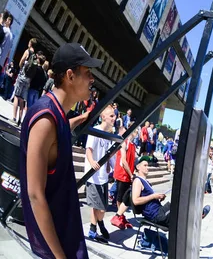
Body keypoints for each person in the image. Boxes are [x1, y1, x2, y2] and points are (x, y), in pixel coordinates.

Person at [19, 42, 103, 258]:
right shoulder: (45, 119)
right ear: (70, 75)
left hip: (65, 232)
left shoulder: (58, 115)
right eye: (87, 73)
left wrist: (81, 119)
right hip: (54, 245)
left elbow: (62, 127)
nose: (92, 79)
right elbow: (35, 194)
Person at [84, 106, 118, 244]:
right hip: (93, 175)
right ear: (103, 117)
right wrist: (92, 161)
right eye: (111, 116)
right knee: (98, 206)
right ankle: (94, 230)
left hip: (103, 175)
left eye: (114, 115)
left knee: (102, 207)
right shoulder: (96, 131)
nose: (114, 118)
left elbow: (107, 154)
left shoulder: (108, 134)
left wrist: (110, 164)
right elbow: (89, 149)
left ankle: (99, 225)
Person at [110, 125, 137, 230]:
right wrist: (131, 174)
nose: (137, 133)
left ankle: (121, 215)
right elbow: (124, 161)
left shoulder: (132, 145)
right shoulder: (124, 143)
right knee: (121, 197)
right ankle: (118, 216)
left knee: (124, 197)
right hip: (123, 174)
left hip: (127, 174)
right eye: (136, 130)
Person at [13, 38, 37, 125]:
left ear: (30, 43)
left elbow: (21, 61)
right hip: (28, 79)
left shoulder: (27, 51)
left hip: (22, 76)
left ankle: (14, 117)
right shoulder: (35, 56)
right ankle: (20, 119)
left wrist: (21, 67)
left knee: (16, 96)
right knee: (22, 99)